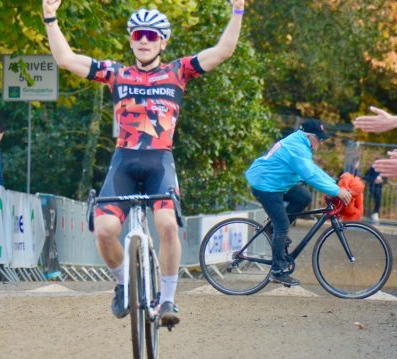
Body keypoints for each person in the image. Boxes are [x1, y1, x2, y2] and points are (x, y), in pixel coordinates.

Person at [43, 0, 247, 327]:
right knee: (106, 231)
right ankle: (124, 283)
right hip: (124, 161)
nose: (144, 40)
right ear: (130, 39)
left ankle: (167, 298)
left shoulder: (178, 71)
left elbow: (223, 50)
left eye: (151, 36)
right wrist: (50, 16)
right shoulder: (117, 73)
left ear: (163, 41)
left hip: (160, 162)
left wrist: (237, 10)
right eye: (138, 34)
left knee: (167, 224)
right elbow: (65, 59)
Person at [245, 119, 352, 286]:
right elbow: (310, 176)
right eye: (320, 139)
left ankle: (273, 230)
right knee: (282, 226)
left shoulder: (301, 144)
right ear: (309, 136)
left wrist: (334, 184)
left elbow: (313, 169)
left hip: (278, 183)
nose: (321, 143)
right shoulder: (296, 147)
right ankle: (278, 271)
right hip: (265, 185)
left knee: (304, 198)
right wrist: (336, 191)